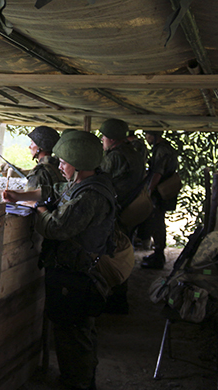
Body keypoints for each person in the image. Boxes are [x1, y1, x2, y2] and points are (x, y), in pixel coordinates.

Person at [3, 131, 115, 390]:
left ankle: (77, 382)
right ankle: (82, 379)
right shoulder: (84, 184)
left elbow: (56, 228)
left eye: (64, 162)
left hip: (76, 275)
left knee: (72, 334)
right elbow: (53, 191)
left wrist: (38, 209)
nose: (60, 166)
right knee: (78, 332)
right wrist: (21, 197)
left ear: (78, 164)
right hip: (74, 272)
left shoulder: (89, 196)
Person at [98, 119, 145, 314]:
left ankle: (117, 299)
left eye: (103, 137)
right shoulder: (133, 152)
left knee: (113, 254)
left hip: (117, 211)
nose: (102, 140)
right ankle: (119, 297)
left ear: (111, 139)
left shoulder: (114, 157)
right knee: (124, 250)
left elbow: (102, 181)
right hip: (129, 209)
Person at [139, 131, 180, 269]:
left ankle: (158, 256)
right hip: (163, 190)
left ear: (155, 135)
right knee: (158, 221)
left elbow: (157, 173)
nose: (146, 137)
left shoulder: (161, 150)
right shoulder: (166, 147)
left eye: (148, 135)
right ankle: (158, 253)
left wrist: (149, 191)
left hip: (160, 191)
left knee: (156, 222)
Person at [24, 126, 64, 192]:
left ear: (40, 147)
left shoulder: (40, 172)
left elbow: (30, 200)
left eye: (32, 143)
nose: (30, 147)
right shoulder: (59, 166)